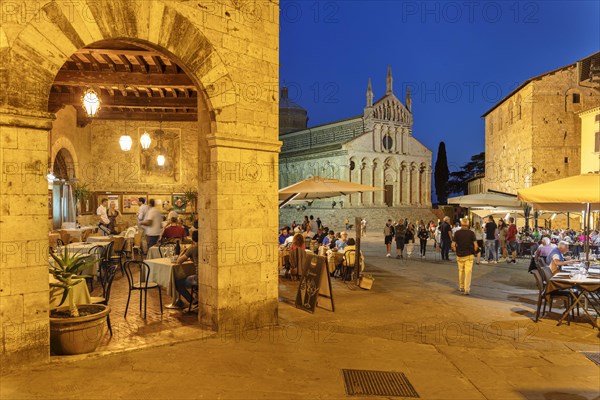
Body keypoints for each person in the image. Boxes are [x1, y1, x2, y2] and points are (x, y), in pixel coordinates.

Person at [452, 217, 478, 295]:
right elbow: (476, 245)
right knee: (468, 272)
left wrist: (456, 250)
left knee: (461, 271)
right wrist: (474, 251)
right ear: (468, 224)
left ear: (461, 224)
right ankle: (467, 289)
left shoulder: (457, 233)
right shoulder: (471, 233)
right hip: (469, 255)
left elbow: (453, 245)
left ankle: (461, 286)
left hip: (460, 255)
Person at [174, 231, 199, 307]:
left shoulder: (192, 248)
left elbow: (178, 261)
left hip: (198, 278)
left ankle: (193, 301)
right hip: (208, 277)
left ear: (192, 238)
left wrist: (183, 252)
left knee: (178, 283)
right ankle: (196, 296)